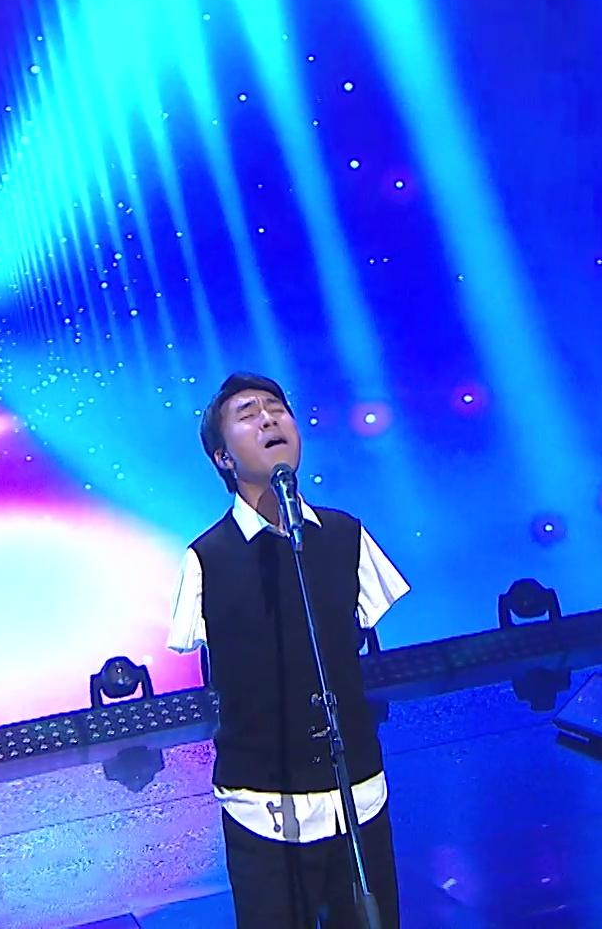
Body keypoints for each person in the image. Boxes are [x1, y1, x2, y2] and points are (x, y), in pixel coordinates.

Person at [167, 372, 410, 928]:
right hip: (263, 807)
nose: (268, 418)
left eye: (276, 408)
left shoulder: (345, 535)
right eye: (247, 414)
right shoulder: (206, 559)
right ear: (223, 458)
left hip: (357, 796)